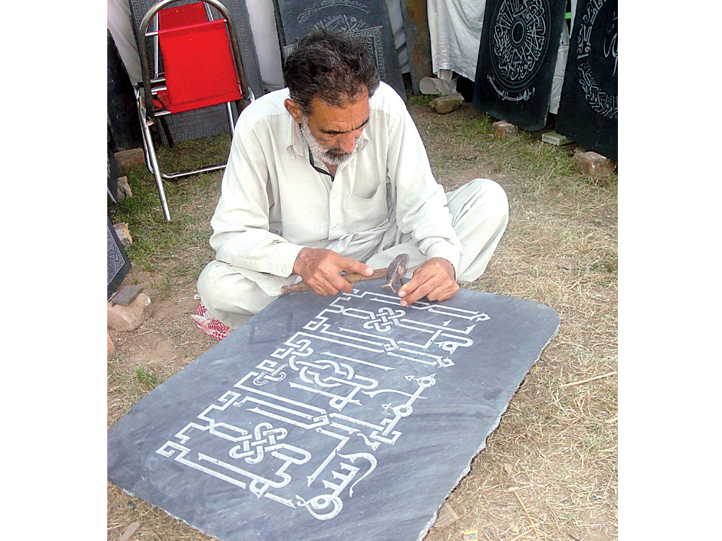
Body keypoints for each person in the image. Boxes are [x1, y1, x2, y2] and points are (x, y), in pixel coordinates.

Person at [194, 29, 508, 340]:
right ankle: (372, 302)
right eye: (331, 133)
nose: (348, 146)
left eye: (359, 128)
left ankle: (330, 308)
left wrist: (443, 259)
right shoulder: (258, 126)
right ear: (296, 112)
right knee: (216, 283)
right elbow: (232, 233)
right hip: (302, 267)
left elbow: (422, 200)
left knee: (488, 201)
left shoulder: (386, 108)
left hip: (383, 256)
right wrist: (301, 259)